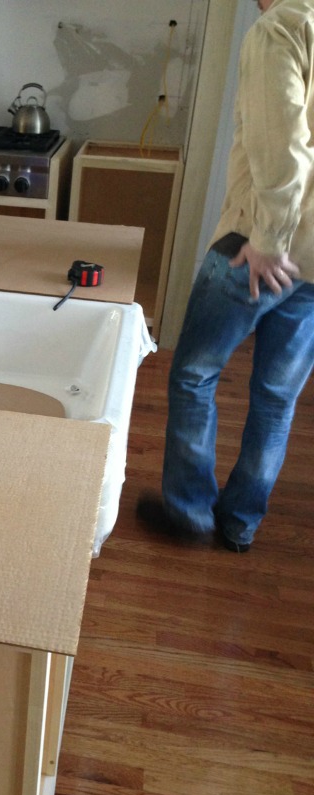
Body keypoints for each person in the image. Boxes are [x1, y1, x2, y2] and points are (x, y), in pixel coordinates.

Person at [137, 0, 314, 553]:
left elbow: (284, 150)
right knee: (276, 400)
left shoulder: (281, 29)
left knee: (194, 374)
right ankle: (239, 523)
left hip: (256, 248)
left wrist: (269, 241)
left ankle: (189, 514)